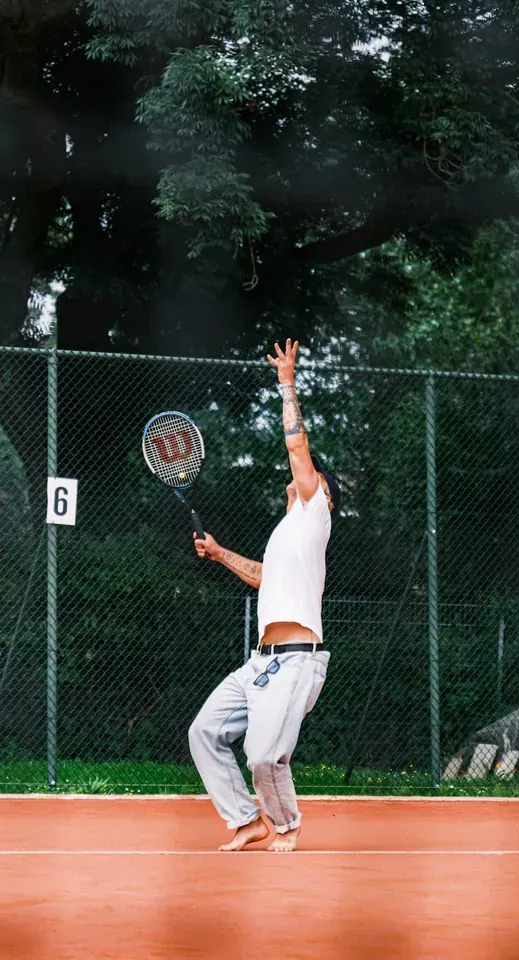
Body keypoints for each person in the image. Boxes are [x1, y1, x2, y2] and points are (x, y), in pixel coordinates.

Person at [189, 338, 341, 852]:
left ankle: (287, 822)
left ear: (323, 493)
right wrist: (219, 553)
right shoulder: (286, 535)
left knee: (261, 755)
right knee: (204, 732)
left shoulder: (314, 512)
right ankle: (246, 820)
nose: (297, 475)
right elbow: (261, 576)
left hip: (297, 662)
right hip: (260, 664)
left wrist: (286, 381)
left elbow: (297, 446)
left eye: (309, 476)